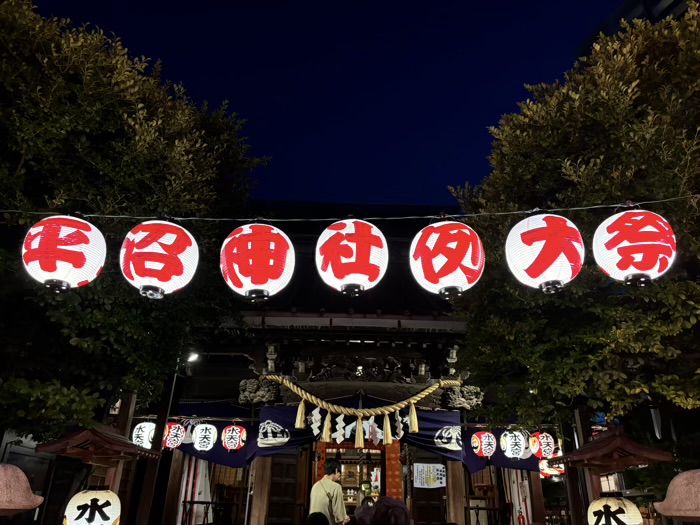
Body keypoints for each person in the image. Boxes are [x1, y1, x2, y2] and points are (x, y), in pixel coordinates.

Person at [309, 459, 349, 525]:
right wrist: (344, 519)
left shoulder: (315, 486)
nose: (339, 476)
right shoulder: (336, 487)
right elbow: (340, 518)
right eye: (339, 473)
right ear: (336, 470)